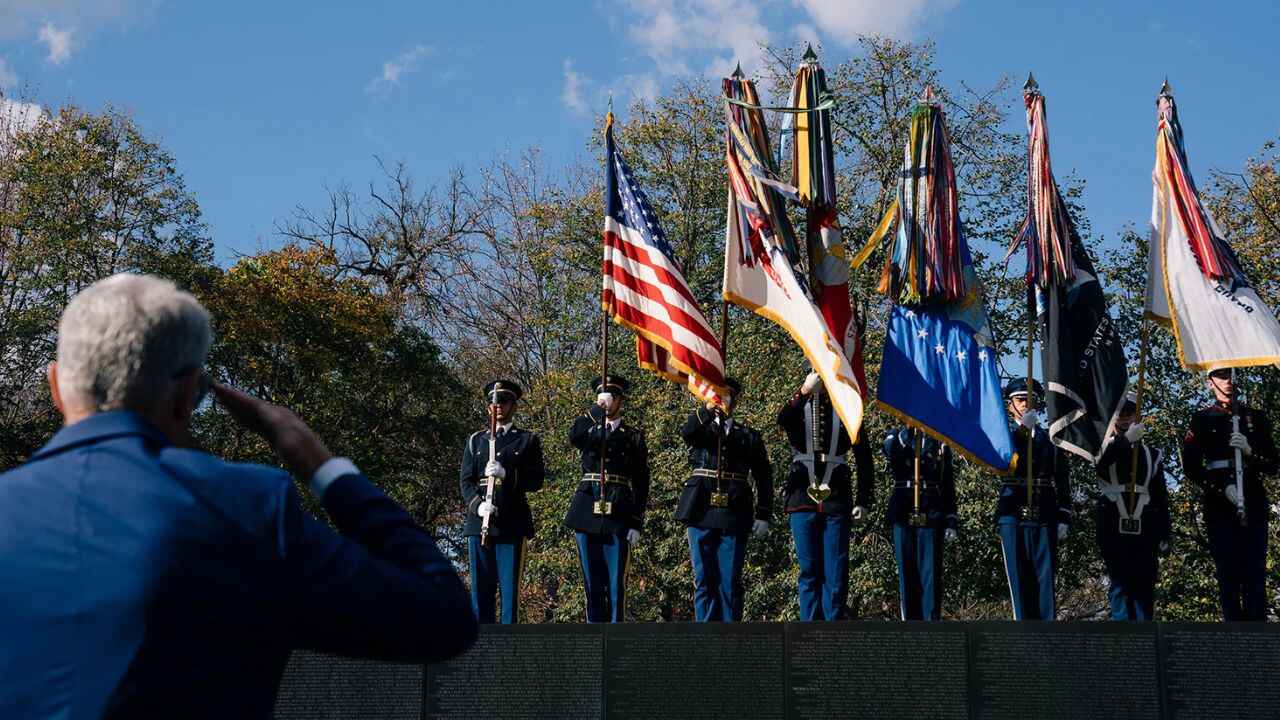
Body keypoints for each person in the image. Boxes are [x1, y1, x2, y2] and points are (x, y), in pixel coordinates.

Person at [0, 273, 477, 720]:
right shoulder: (244, 507)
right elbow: (442, 617)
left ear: (56, 385)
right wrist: (325, 469)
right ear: (188, 392)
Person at [777, 370, 874, 621]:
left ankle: (833, 626)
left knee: (836, 568)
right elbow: (784, 419)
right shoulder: (800, 404)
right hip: (802, 495)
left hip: (837, 496)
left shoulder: (847, 409)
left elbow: (864, 458)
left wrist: (864, 500)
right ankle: (808, 627)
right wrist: (804, 391)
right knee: (808, 569)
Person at [1181, 368, 1276, 621]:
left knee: (1255, 572)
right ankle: (1232, 636)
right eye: (1221, 376)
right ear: (1210, 380)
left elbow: (1273, 465)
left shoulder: (1254, 417)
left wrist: (1249, 451)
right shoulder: (1202, 419)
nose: (1228, 381)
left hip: (1253, 497)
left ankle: (1258, 637)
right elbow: (1191, 466)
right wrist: (1221, 487)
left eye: (1231, 375)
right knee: (1228, 571)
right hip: (1219, 503)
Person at [676, 378, 773, 622]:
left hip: (735, 508)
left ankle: (730, 638)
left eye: (727, 395)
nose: (722, 399)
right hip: (701, 507)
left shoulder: (748, 436)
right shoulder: (701, 428)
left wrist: (763, 513)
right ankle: (704, 637)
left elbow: (763, 476)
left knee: (730, 579)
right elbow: (687, 432)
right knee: (703, 577)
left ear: (735, 400)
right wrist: (706, 410)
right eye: (718, 393)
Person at [564, 375, 650, 623]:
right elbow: (573, 437)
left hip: (619, 510)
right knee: (591, 584)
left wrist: (636, 520)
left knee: (616, 584)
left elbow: (641, 481)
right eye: (604, 397)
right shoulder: (588, 428)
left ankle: (616, 638)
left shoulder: (633, 436)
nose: (608, 402)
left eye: (612, 397)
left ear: (620, 400)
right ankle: (594, 636)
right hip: (586, 510)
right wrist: (595, 411)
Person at [459, 379, 546, 624]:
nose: (497, 406)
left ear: (513, 406)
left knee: (510, 594)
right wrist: (477, 505)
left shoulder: (527, 440)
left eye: (503, 401)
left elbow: (536, 480)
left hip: (511, 523)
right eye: (493, 402)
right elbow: (465, 481)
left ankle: (508, 652)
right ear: (488, 408)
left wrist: (507, 474)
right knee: (480, 592)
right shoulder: (476, 440)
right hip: (479, 524)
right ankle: (481, 650)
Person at [996, 378, 1072, 621]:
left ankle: (1046, 634)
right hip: (1013, 512)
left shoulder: (1051, 438)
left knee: (1045, 578)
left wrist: (1064, 515)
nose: (1026, 403)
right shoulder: (1003, 436)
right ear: (1010, 406)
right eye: (1020, 399)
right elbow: (1004, 462)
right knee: (1019, 578)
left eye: (1030, 399)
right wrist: (1021, 433)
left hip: (1044, 510)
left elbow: (1062, 478)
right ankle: (1023, 633)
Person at [1094, 392, 1170, 621]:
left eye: (1129, 412)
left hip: (1145, 521)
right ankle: (1122, 640)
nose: (1125, 417)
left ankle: (1144, 639)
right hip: (1112, 519)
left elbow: (1160, 496)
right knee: (1119, 585)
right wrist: (1126, 441)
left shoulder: (1152, 454)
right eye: (1120, 412)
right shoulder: (1102, 447)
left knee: (1145, 585)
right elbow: (1102, 465)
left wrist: (1165, 532)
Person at [883, 426, 957, 621]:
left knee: (930, 573)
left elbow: (947, 481)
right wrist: (908, 433)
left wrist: (951, 519)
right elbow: (892, 454)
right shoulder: (896, 437)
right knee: (907, 572)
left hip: (932, 511)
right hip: (903, 509)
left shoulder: (940, 441)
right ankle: (910, 623)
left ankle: (931, 622)